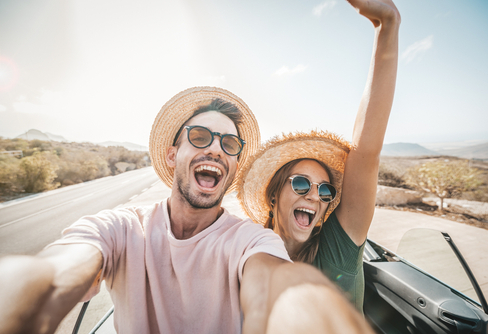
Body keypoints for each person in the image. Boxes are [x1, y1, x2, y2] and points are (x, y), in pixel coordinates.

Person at [0, 86, 375, 334]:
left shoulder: (250, 240)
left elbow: (274, 286)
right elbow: (57, 271)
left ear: (233, 166)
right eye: (200, 137)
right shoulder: (119, 227)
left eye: (229, 144)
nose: (215, 149)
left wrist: (308, 313)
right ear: (172, 153)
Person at [237, 0, 401, 313]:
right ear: (274, 195)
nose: (315, 195)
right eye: (301, 184)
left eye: (325, 190)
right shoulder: (245, 247)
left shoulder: (337, 250)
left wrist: (388, 25)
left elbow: (366, 151)